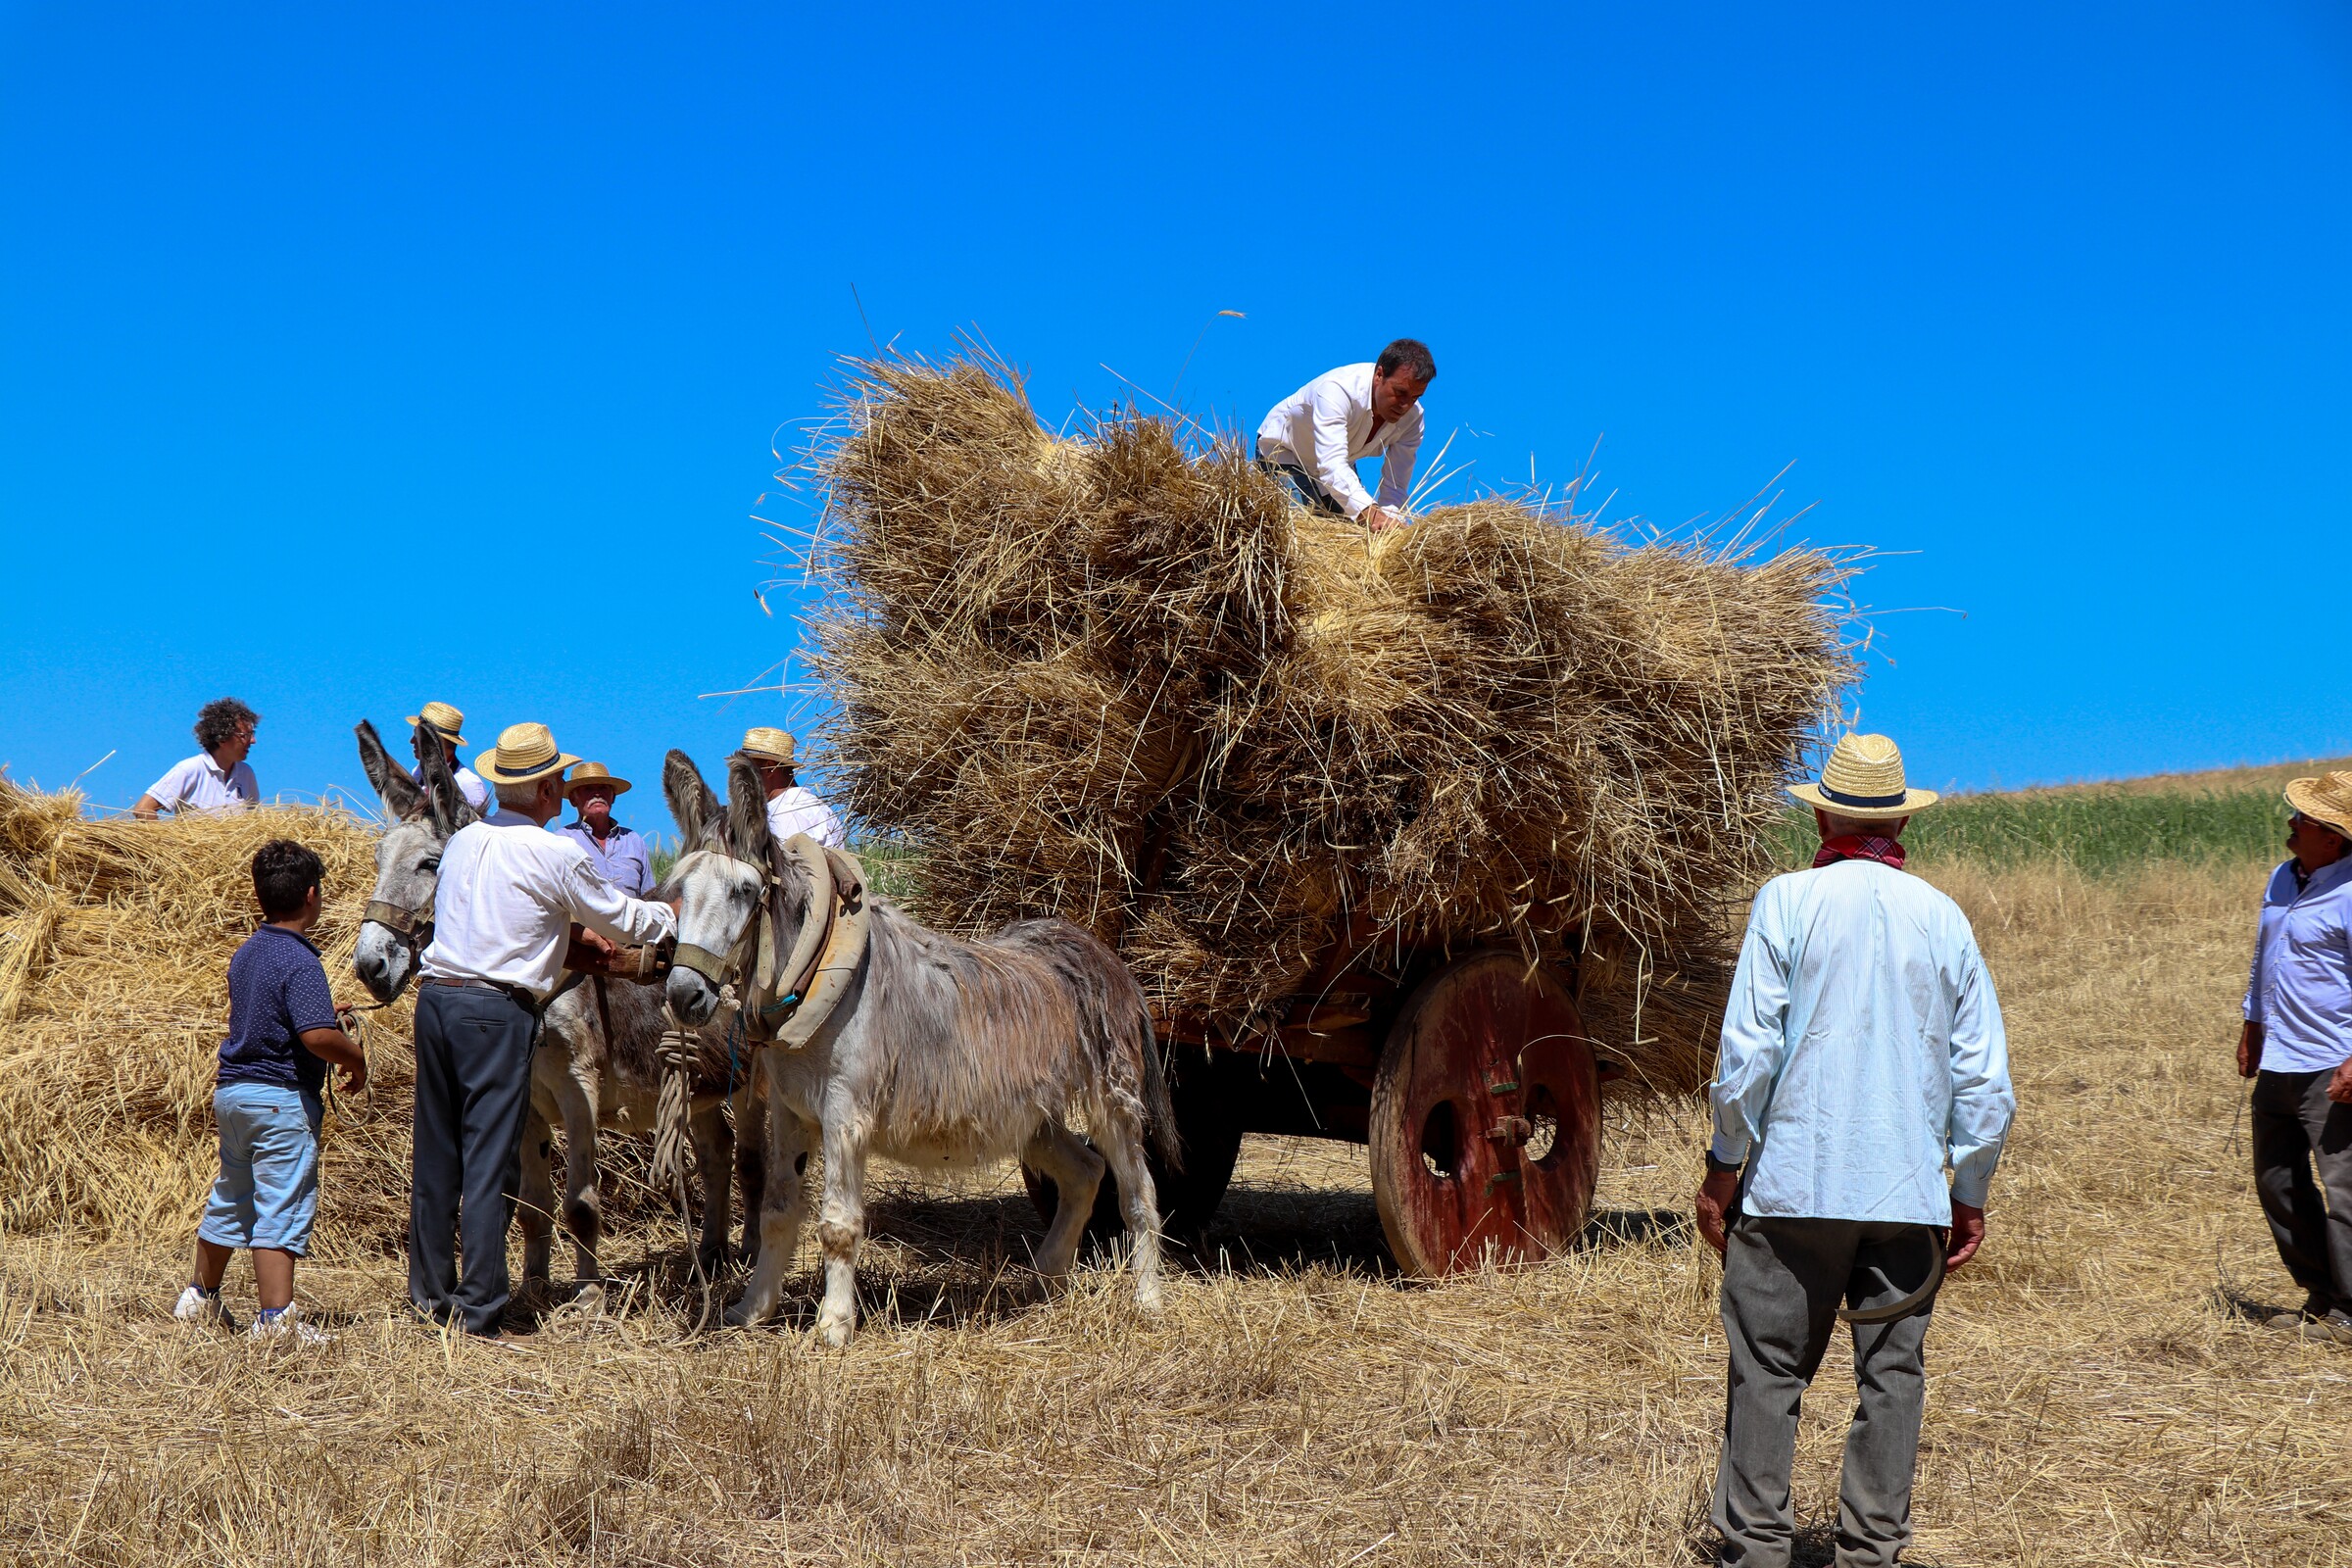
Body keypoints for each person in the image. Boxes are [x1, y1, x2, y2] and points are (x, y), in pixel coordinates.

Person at [1695, 732, 2015, 1567]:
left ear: (1827, 811)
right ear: (1901, 821)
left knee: (1767, 1372)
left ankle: (1756, 1549)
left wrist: (1724, 1162)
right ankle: (1871, 1550)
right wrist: (1969, 1185)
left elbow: (1749, 1054)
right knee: (1892, 1378)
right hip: (1907, 1194)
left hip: (1794, 1184)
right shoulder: (1943, 917)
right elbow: (1983, 1078)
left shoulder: (1787, 901)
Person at [409, 722, 677, 1340]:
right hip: (494, 1013)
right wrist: (673, 913)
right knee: (489, 1160)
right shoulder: (557, 853)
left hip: (437, 1002)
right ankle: (478, 1310)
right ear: (552, 788)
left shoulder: (463, 842)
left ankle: (430, 1297)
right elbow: (624, 919)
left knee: (437, 1157)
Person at [172, 840, 367, 1344]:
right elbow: (316, 1037)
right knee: (281, 1202)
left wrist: (323, 1011)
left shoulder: (248, 952)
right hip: (280, 1098)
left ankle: (201, 1297)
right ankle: (276, 1321)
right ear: (311, 895)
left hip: (234, 1093)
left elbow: (273, 1011)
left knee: (233, 1197)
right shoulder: (301, 960)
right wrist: (355, 1055)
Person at [2237, 770, 2352, 1346]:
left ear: (2331, 837)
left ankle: (2349, 1312)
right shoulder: (2283, 878)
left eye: (2303, 819)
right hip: (2280, 1057)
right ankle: (2321, 1294)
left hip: (2333, 1064)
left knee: (2345, 1190)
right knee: (2277, 1181)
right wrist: (2251, 1023)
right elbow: (2267, 955)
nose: (2291, 824)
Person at [1253, 339, 1435, 532]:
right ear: (1379, 375)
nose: (1406, 406)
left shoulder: (1413, 419)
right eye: (1400, 393)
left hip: (1338, 466)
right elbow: (1331, 464)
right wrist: (1372, 514)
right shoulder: (1337, 390)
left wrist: (1389, 525)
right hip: (1284, 452)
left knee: (1355, 535)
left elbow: (1396, 485)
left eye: (1415, 397)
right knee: (1301, 533)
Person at [134, 698, 260, 819]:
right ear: (222, 738)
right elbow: (143, 809)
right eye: (245, 736)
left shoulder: (246, 773)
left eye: (252, 734)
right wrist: (163, 839)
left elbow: (253, 819)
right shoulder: (190, 769)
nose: (253, 741)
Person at [559, 761, 656, 899]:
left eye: (603, 788)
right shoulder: (562, 840)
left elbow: (649, 896)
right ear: (573, 800)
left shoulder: (633, 840)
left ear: (613, 797)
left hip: (632, 920)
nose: (597, 794)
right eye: (588, 789)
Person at [742, 727, 846, 848]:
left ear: (770, 768)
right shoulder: (819, 808)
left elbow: (784, 864)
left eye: (745, 770)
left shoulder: (783, 814)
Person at [406, 701, 491, 814]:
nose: (412, 741)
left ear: (438, 742)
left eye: (419, 736)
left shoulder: (468, 783)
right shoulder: (417, 773)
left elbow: (476, 827)